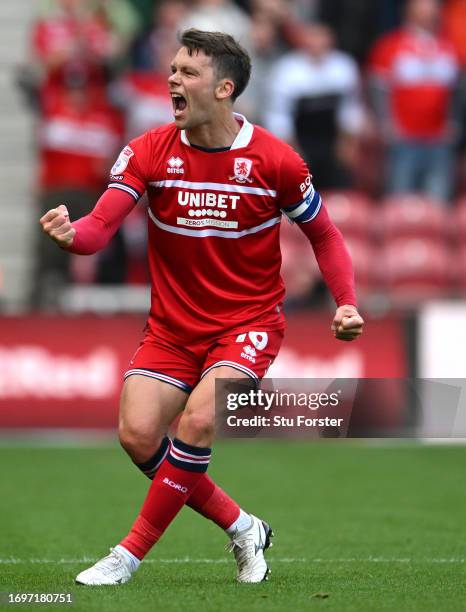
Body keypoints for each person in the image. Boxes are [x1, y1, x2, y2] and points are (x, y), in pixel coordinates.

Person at [40, 29, 364, 586]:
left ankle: (128, 554)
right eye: (172, 70)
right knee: (138, 435)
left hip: (248, 325)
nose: (173, 80)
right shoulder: (147, 151)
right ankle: (244, 527)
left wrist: (347, 304)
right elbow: (100, 225)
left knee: (199, 420)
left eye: (188, 73)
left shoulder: (275, 161)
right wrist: (74, 236)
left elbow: (326, 236)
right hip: (172, 329)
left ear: (224, 89)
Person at [367, 0, 459, 202]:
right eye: (423, 6)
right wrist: (387, 123)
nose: (429, 11)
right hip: (404, 137)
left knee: (438, 202)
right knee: (401, 197)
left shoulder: (447, 46)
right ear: (410, 11)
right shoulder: (391, 45)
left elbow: (455, 92)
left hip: (438, 139)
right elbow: (378, 89)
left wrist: (453, 123)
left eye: (432, 6)